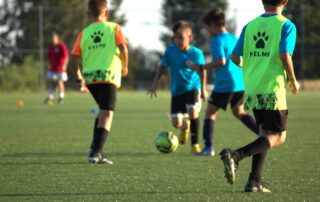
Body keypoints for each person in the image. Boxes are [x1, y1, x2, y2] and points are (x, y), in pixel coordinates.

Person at [219, 0, 300, 192]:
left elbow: (234, 57)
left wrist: (248, 67)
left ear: (263, 2)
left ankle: (254, 182)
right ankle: (235, 155)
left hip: (253, 87)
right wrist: (293, 79)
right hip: (272, 88)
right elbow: (285, 55)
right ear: (285, 1)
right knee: (279, 137)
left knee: (264, 133)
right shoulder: (286, 25)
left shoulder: (249, 26)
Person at [189, 9, 259, 156]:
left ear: (213, 25)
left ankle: (208, 148)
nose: (207, 31)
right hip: (240, 82)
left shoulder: (217, 40)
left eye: (207, 28)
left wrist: (201, 67)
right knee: (239, 112)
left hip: (225, 84)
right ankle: (263, 134)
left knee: (209, 113)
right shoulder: (233, 38)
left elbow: (221, 61)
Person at [71, 0, 128, 164]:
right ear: (107, 13)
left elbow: (74, 59)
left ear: (88, 14)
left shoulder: (84, 33)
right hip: (108, 76)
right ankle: (96, 152)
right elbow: (123, 48)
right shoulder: (114, 28)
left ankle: (94, 148)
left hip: (90, 78)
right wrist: (125, 67)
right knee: (107, 113)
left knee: (102, 111)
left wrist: (78, 77)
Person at [147, 21, 207, 154]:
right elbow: (162, 66)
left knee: (192, 112)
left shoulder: (196, 53)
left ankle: (195, 145)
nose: (178, 41)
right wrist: (154, 84)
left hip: (193, 88)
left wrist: (203, 89)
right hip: (176, 91)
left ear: (190, 38)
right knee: (176, 123)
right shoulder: (170, 51)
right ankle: (185, 126)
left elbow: (202, 71)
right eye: (175, 38)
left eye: (181, 37)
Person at [44, 32, 69, 104]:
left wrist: (65, 65)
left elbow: (66, 56)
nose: (53, 40)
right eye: (52, 38)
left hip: (60, 68)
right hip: (52, 68)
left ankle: (61, 97)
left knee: (60, 82)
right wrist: (49, 64)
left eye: (54, 38)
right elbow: (49, 57)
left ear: (57, 38)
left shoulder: (61, 45)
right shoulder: (50, 47)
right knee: (48, 80)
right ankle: (50, 96)